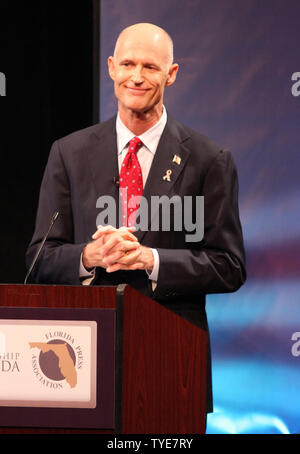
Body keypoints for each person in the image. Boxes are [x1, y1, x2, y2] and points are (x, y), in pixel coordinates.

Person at [26, 23, 246, 417]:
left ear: (171, 74)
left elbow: (228, 267)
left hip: (174, 362)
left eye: (150, 66)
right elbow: (40, 258)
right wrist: (90, 256)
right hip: (80, 358)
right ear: (111, 67)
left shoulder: (209, 161)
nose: (137, 76)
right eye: (128, 63)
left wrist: (151, 260)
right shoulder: (68, 153)